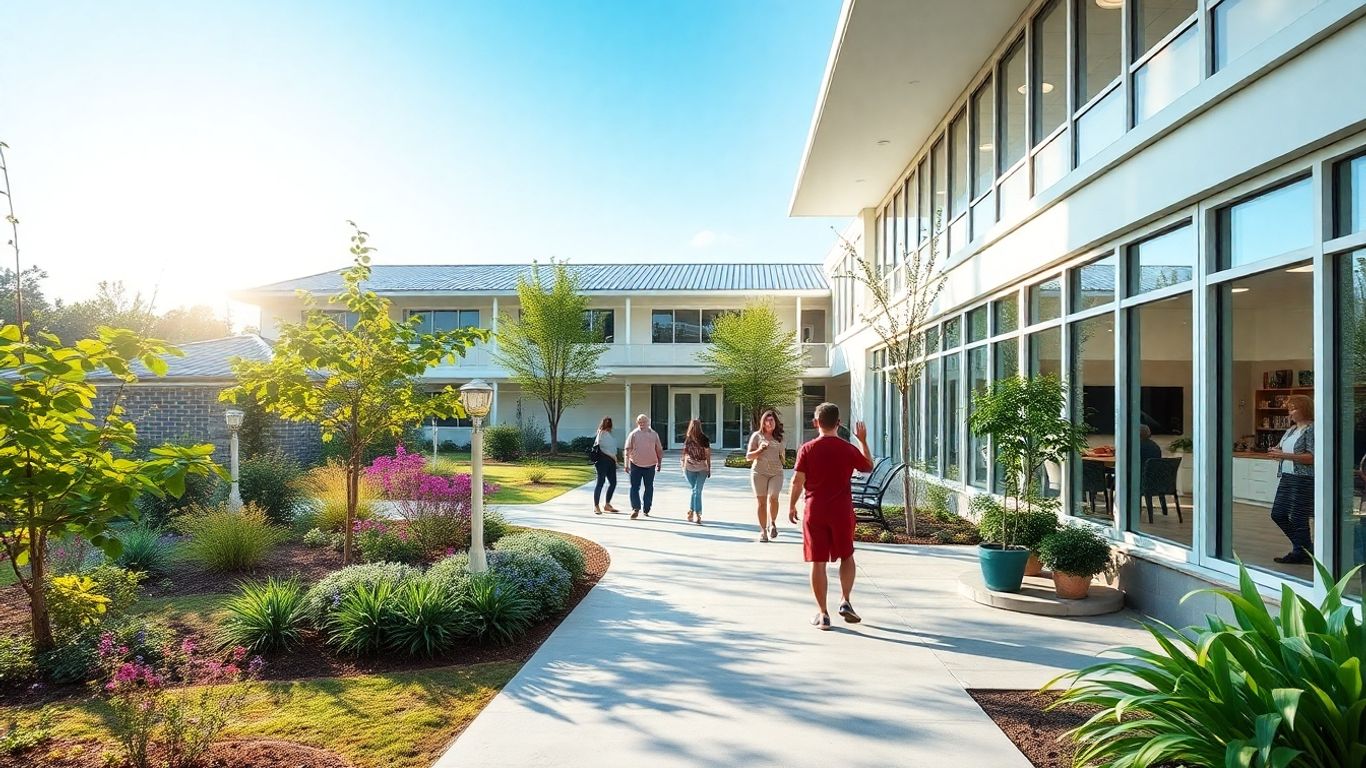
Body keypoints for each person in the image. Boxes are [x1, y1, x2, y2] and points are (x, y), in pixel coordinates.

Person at [787, 403, 874, 630]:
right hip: (842, 511)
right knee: (847, 555)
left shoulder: (807, 449)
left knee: (818, 561)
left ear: (816, 423)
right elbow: (868, 467)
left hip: (815, 510)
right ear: (839, 423)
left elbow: (797, 481)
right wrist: (862, 440)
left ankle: (823, 614)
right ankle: (845, 600)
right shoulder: (848, 449)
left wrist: (791, 505)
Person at [1266, 394, 1315, 564]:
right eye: (1289, 409)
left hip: (1304, 478)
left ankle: (1299, 552)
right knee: (1278, 514)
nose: (1290, 413)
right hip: (1287, 476)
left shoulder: (1312, 429)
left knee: (1298, 518)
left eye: (1293, 409)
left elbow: (1312, 458)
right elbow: (1282, 450)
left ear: (1305, 409)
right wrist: (1276, 451)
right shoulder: (1290, 431)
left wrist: (1284, 455)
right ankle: (1307, 549)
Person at [746, 409, 786, 542]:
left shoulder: (780, 437)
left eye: (772, 420)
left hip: (776, 473)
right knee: (761, 502)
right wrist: (760, 449)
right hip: (759, 473)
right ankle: (763, 531)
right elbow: (748, 457)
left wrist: (784, 461)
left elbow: (782, 456)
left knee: (774, 498)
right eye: (767, 420)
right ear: (763, 423)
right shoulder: (757, 436)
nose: (770, 423)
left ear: (776, 422)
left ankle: (772, 523)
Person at [624, 413, 664, 520]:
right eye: (640, 422)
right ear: (637, 423)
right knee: (634, 487)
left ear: (648, 422)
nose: (642, 424)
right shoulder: (634, 434)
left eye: (644, 422)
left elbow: (659, 449)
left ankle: (647, 508)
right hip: (635, 464)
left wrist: (659, 463)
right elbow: (627, 450)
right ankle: (635, 508)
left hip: (650, 464)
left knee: (649, 487)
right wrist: (626, 464)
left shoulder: (654, 434)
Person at [681, 419, 712, 525]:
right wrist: (682, 466)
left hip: (702, 468)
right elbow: (684, 454)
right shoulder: (688, 440)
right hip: (689, 468)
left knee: (696, 490)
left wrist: (709, 467)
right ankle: (691, 511)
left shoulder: (704, 439)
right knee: (695, 490)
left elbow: (708, 454)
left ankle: (697, 513)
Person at [592, 417, 619, 515]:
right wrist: (614, 457)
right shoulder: (601, 433)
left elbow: (610, 448)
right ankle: (596, 506)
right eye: (607, 422)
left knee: (613, 482)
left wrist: (614, 459)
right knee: (600, 482)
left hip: (611, 462)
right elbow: (601, 448)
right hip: (602, 461)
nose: (608, 424)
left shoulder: (608, 434)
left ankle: (607, 504)